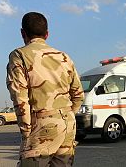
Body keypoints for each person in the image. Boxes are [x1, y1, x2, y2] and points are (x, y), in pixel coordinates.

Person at [6, 12, 84, 167]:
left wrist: (26, 131)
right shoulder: (64, 57)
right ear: (47, 34)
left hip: (41, 125)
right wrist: (66, 114)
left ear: (23, 33)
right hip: (67, 124)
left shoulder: (19, 55)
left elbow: (19, 96)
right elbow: (78, 95)